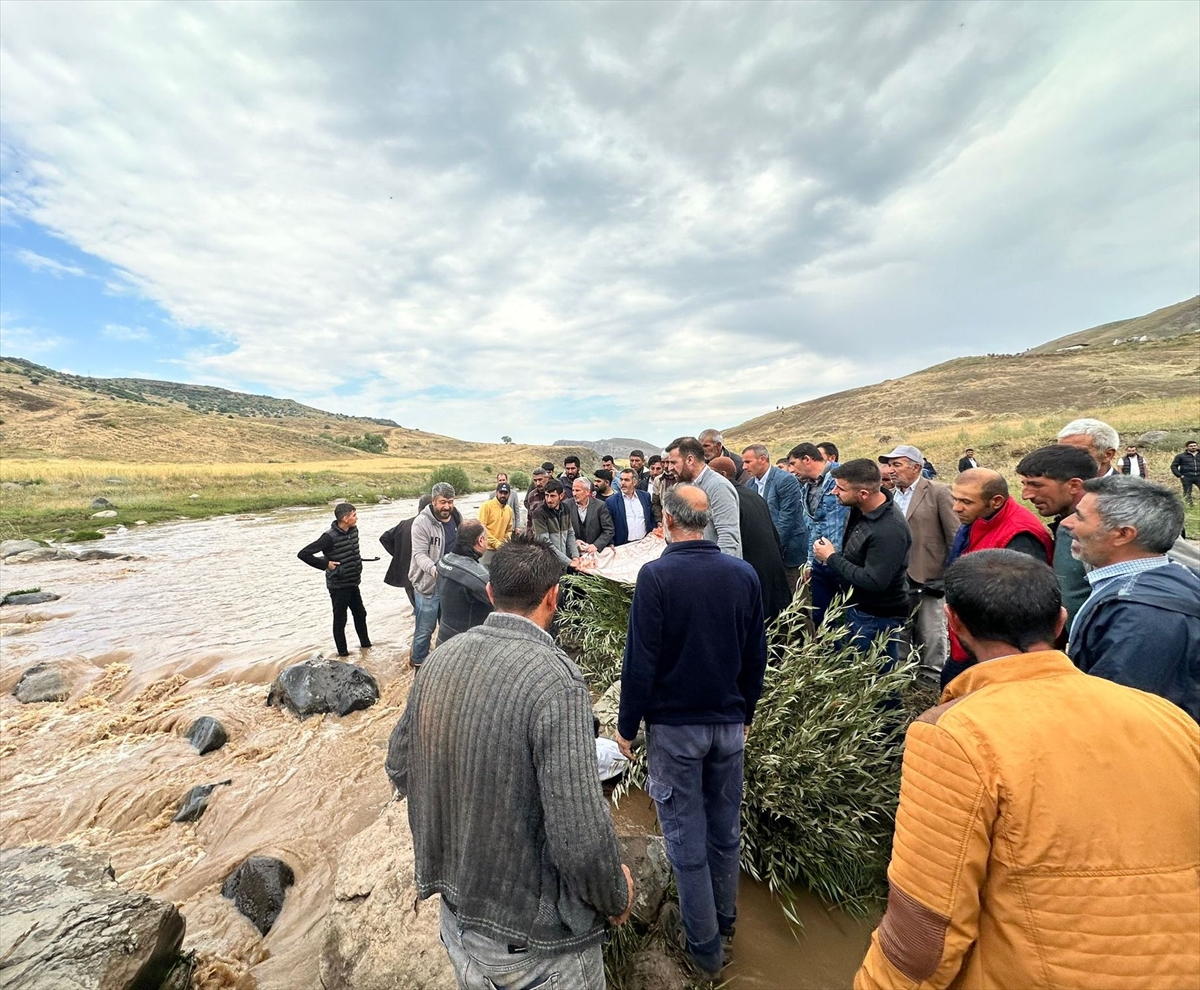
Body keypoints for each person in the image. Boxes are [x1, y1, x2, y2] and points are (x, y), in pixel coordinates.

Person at [854, 549, 1200, 990]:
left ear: (954, 625)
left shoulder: (956, 734)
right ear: (1060, 622)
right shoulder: (1168, 717)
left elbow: (927, 927)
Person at [386, 534, 635, 989]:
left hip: (457, 922)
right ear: (553, 597)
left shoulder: (439, 660)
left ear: (489, 593)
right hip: (536, 950)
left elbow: (399, 767)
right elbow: (578, 834)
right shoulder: (556, 681)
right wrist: (614, 895)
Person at [616, 485, 768, 981]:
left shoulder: (657, 576)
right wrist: (745, 712)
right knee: (725, 833)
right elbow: (755, 654)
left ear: (666, 520)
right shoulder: (742, 574)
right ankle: (726, 926)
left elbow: (641, 661)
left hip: (677, 731)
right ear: (706, 522)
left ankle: (703, 952)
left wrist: (626, 727)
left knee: (685, 840)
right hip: (728, 727)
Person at [1062, 476, 1199, 721]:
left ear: (1123, 534)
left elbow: (1120, 716)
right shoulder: (1172, 577)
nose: (1066, 523)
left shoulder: (1140, 613)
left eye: (1080, 516)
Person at [942, 469, 1053, 687]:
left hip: (992, 651)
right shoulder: (979, 519)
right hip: (971, 638)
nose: (956, 507)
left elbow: (1023, 607)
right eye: (954, 499)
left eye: (966, 501)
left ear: (996, 501)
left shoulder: (1019, 535)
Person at [812, 459, 911, 667]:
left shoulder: (889, 530)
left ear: (863, 493)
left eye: (840, 488)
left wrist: (830, 557)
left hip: (876, 616)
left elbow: (874, 581)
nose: (834, 492)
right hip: (859, 608)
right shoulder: (860, 508)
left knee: (872, 678)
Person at [879, 445, 958, 673]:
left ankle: (932, 674)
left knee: (931, 628)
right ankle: (902, 671)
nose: (890, 470)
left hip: (929, 574)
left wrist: (948, 576)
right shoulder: (890, 496)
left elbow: (954, 536)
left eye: (897, 464)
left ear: (916, 467)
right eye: (889, 465)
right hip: (898, 576)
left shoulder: (938, 492)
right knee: (900, 626)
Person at [1015, 444, 1099, 630]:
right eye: (1025, 484)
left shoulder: (1120, 523)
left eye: (1036, 485)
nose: (1026, 495)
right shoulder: (1065, 523)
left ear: (1074, 485)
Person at [711, 457, 791, 624]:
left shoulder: (726, 500)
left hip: (752, 571)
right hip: (772, 570)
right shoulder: (753, 495)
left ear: (722, 475)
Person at [788, 442, 850, 628]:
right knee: (822, 618)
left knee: (844, 618)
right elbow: (813, 527)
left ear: (807, 459)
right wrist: (809, 561)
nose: (791, 470)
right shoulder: (807, 487)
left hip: (842, 562)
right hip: (820, 563)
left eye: (793, 463)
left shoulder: (841, 478)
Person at [297, 502, 371, 657]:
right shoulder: (328, 537)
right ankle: (343, 654)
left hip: (352, 582)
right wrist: (326, 564)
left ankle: (366, 648)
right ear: (345, 518)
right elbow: (303, 554)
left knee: (360, 614)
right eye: (354, 515)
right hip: (338, 585)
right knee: (340, 619)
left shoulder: (353, 530)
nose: (356, 518)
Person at [741, 443, 807, 593]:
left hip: (789, 551)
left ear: (762, 459)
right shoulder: (750, 484)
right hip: (767, 553)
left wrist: (772, 548)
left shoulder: (785, 480)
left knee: (797, 599)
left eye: (748, 462)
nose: (744, 467)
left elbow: (787, 518)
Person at [409, 483, 459, 668]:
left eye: (450, 502)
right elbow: (419, 554)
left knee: (448, 627)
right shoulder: (421, 522)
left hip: (450, 584)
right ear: (433, 501)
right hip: (428, 585)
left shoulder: (456, 517)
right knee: (424, 630)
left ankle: (443, 664)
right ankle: (418, 664)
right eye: (443, 502)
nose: (447, 507)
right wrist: (435, 570)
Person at [666, 436, 742, 558]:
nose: (669, 468)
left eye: (673, 462)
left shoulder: (718, 486)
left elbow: (728, 537)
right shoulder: (689, 485)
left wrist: (714, 571)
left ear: (690, 460)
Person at [434, 520, 493, 646]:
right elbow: (501, 604)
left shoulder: (443, 562)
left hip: (443, 639)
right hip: (465, 645)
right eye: (486, 538)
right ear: (481, 541)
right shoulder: (478, 576)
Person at [381, 493, 432, 609]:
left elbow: (384, 538)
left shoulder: (404, 524)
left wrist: (398, 554)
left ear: (419, 508)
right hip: (425, 574)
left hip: (408, 574)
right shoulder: (433, 525)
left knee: (418, 608)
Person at [531, 478, 581, 572]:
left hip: (563, 563)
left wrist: (575, 556)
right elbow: (545, 543)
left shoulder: (565, 509)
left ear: (561, 496)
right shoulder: (539, 514)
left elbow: (570, 534)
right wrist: (569, 562)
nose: (549, 500)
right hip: (547, 563)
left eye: (553, 496)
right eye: (547, 495)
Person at [608, 468, 656, 546]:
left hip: (645, 543)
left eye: (626, 480)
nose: (622, 483)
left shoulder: (645, 496)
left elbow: (650, 517)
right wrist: (611, 542)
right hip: (623, 545)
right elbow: (609, 525)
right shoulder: (612, 501)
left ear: (634, 482)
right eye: (621, 479)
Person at [566, 477, 614, 555]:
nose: (574, 494)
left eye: (577, 490)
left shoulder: (600, 506)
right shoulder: (566, 505)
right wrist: (574, 541)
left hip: (595, 553)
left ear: (587, 492)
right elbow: (563, 530)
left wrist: (596, 545)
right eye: (573, 490)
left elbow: (608, 530)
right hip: (573, 553)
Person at [477, 482, 514, 560]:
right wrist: (496, 543)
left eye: (505, 493)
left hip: (501, 550)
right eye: (501, 492)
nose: (503, 495)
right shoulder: (486, 506)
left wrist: (504, 542)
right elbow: (481, 528)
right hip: (486, 549)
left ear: (509, 494)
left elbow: (509, 529)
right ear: (496, 492)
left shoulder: (509, 510)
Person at [1171, 439, 1199, 505]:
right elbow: (1174, 466)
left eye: (1195, 445)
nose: (1193, 447)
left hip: (1199, 476)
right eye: (1191, 446)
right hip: (1187, 476)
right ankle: (1189, 506)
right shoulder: (1180, 456)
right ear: (1186, 447)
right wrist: (1179, 475)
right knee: (1187, 492)